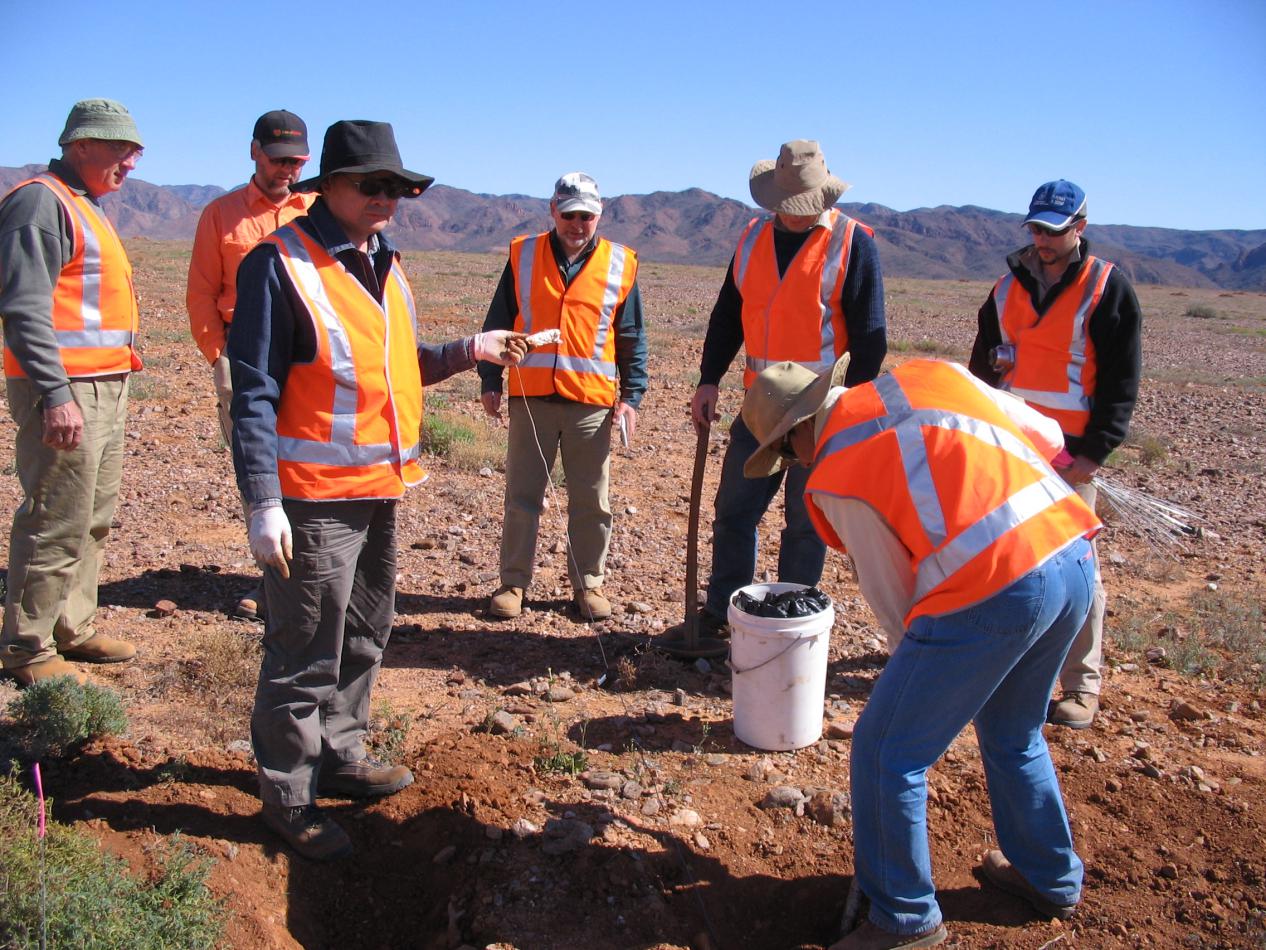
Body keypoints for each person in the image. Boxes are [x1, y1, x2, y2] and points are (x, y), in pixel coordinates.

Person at [229, 119, 527, 860]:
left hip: (379, 488)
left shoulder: (385, 266)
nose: (386, 199)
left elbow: (398, 368)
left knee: (365, 632)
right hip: (312, 498)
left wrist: (468, 351)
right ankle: (289, 794)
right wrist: (262, 501)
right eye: (371, 185)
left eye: (397, 187)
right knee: (303, 649)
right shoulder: (280, 265)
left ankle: (341, 753)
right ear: (326, 187)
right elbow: (254, 393)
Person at [740, 356, 1101, 949]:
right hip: (1072, 554)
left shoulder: (836, 472)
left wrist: (914, 683)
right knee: (1013, 731)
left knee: (887, 751)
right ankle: (1050, 879)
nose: (794, 465)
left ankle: (903, 918)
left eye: (785, 454)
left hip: (998, 587)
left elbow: (896, 601)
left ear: (797, 432)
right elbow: (1050, 437)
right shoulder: (930, 373)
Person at [690, 140, 885, 633]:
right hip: (760, 405)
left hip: (820, 411)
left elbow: (870, 340)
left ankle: (793, 619)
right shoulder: (752, 238)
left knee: (806, 522)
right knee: (733, 512)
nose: (800, 213)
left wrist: (847, 412)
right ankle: (723, 615)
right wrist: (709, 378)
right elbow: (727, 317)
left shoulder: (853, 242)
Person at [969, 180, 1142, 730]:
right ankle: (999, 664)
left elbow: (1121, 378)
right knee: (1003, 558)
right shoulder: (1005, 289)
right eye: (1036, 228)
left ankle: (1080, 685)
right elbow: (980, 371)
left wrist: (1095, 452)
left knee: (1075, 567)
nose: (1042, 239)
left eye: (1054, 230)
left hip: (1071, 457)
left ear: (1080, 229)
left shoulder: (1107, 288)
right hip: (1012, 448)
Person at [0, 99, 144, 686]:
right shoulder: (41, 202)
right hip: (65, 389)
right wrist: (55, 394)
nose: (130, 162)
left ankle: (71, 626)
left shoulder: (86, 204)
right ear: (79, 144)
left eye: (135, 152)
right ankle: (27, 649)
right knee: (55, 516)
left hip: (105, 385)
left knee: (92, 517)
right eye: (120, 149)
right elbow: (25, 309)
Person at [478, 172, 648, 622]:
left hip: (590, 402)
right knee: (522, 496)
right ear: (553, 211)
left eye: (586, 216)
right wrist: (489, 380)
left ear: (599, 215)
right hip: (531, 397)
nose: (577, 223)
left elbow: (630, 335)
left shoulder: (619, 262)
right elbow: (498, 319)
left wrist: (631, 394)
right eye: (569, 214)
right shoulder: (524, 254)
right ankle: (513, 584)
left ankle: (588, 584)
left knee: (592, 499)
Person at [186, 109, 315, 621]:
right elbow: (201, 293)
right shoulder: (221, 214)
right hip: (244, 359)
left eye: (298, 161)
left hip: (308, 360)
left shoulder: (317, 209)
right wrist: (218, 358)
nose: (288, 170)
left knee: (307, 469)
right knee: (261, 474)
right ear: (255, 152)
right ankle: (275, 583)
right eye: (280, 159)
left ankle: (309, 578)